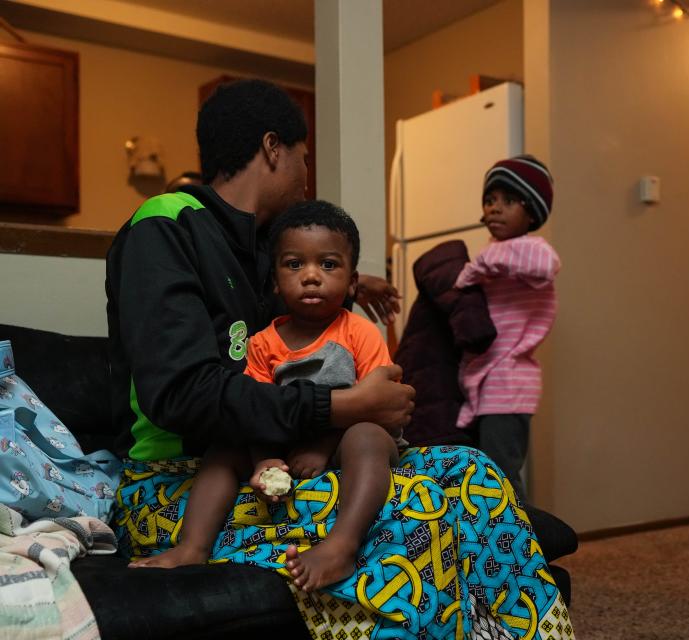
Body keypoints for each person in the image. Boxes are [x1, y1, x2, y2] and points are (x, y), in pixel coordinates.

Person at [107, 79, 571, 638]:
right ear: (274, 148)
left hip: (280, 462)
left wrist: (353, 284)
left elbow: (300, 327)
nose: (307, 174)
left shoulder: (261, 250)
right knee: (418, 508)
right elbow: (184, 393)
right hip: (182, 482)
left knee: (474, 473)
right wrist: (344, 406)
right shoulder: (166, 224)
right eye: (305, 157)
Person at [129, 200, 401, 591]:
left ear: (353, 282)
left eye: (328, 265)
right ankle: (192, 546)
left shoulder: (359, 332)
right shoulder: (262, 344)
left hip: (346, 439)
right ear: (275, 281)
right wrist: (264, 459)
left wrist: (323, 448)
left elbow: (376, 405)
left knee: (367, 436)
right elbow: (253, 410)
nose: (311, 276)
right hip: (285, 438)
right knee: (225, 446)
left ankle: (341, 545)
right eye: (294, 265)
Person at [454, 155, 560, 502]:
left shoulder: (531, 250)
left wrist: (480, 264)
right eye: (490, 200)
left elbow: (548, 264)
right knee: (487, 474)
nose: (495, 209)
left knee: (502, 476)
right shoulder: (499, 253)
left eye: (508, 201)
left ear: (531, 212)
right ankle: (499, 546)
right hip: (490, 382)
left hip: (511, 383)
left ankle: (522, 550)